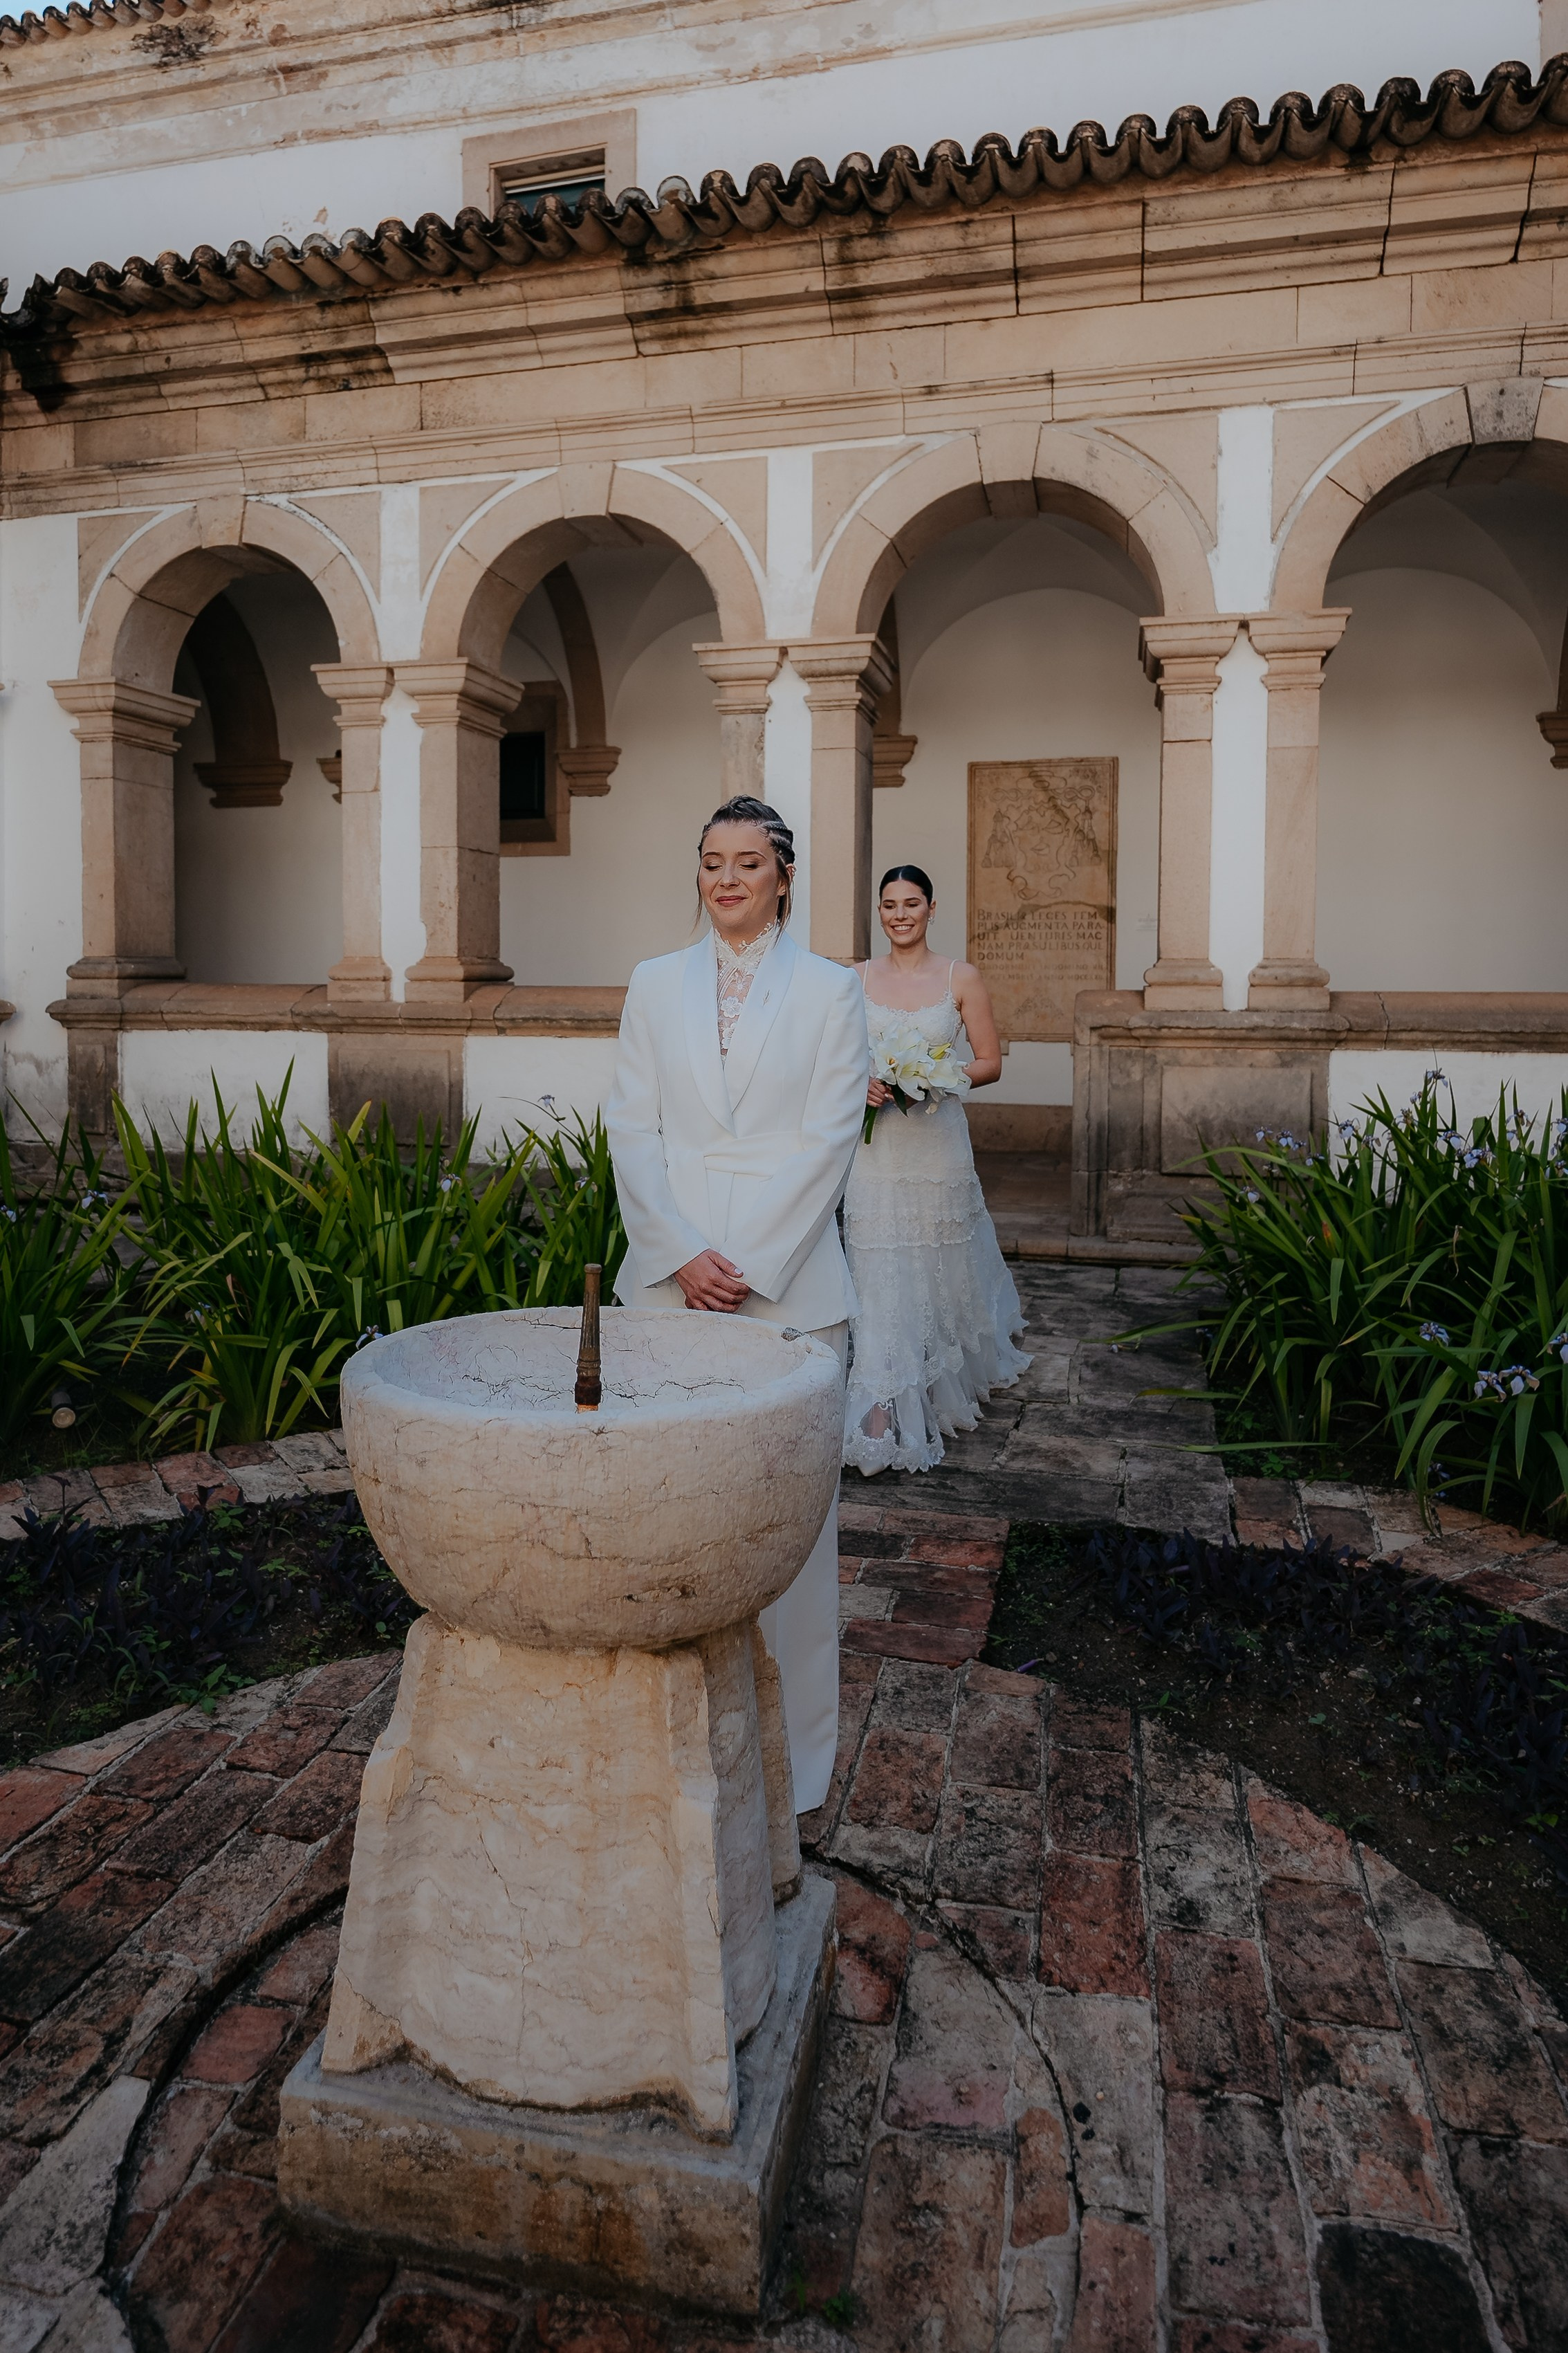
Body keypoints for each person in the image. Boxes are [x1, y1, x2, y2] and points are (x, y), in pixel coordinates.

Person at [604, 795, 869, 1813]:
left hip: (787, 1290)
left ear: (783, 876)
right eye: (711, 861)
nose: (726, 879)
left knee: (789, 1536)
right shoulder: (651, 984)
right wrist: (678, 1254)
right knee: (666, 1521)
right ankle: (669, 1755)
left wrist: (744, 1263)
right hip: (669, 1288)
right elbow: (631, 1127)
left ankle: (794, 1775)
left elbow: (827, 1138)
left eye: (747, 863)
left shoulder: (830, 991)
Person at [844, 863, 1029, 1474]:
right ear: (880, 912)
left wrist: (934, 1077)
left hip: (937, 1146)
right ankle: (878, 1406)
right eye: (889, 904)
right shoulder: (854, 979)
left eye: (911, 903)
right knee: (878, 1269)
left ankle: (931, 1377)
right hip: (875, 1155)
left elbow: (991, 1061)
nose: (900, 914)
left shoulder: (960, 976)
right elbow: (836, 1061)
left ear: (930, 908)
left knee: (935, 1266)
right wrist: (862, 1083)